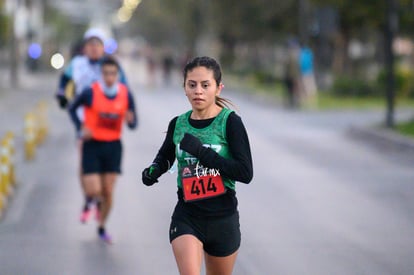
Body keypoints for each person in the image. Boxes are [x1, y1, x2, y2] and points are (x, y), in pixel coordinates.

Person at [142, 56, 253, 274]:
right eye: (192, 85)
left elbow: (245, 172)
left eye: (205, 85)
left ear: (218, 88)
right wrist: (153, 170)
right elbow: (165, 156)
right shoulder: (178, 123)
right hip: (188, 216)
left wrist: (202, 152)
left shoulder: (230, 122)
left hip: (223, 218)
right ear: (184, 88)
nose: (198, 91)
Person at [55, 28, 129, 224]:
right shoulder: (77, 64)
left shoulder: (110, 66)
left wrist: (129, 111)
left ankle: (97, 196)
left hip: (107, 120)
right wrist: (61, 94)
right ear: (85, 48)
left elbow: (125, 88)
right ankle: (89, 196)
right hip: (84, 118)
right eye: (90, 45)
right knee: (84, 156)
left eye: (98, 45)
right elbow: (63, 81)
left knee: (104, 173)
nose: (94, 48)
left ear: (103, 48)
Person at [69, 57, 137, 243]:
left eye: (113, 73)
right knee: (93, 189)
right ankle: (90, 200)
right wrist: (80, 126)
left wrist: (131, 121)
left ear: (118, 75)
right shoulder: (90, 92)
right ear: (100, 74)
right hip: (92, 144)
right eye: (106, 73)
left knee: (107, 191)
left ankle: (101, 227)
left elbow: (133, 122)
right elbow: (72, 108)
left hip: (113, 147)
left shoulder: (125, 93)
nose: (109, 77)